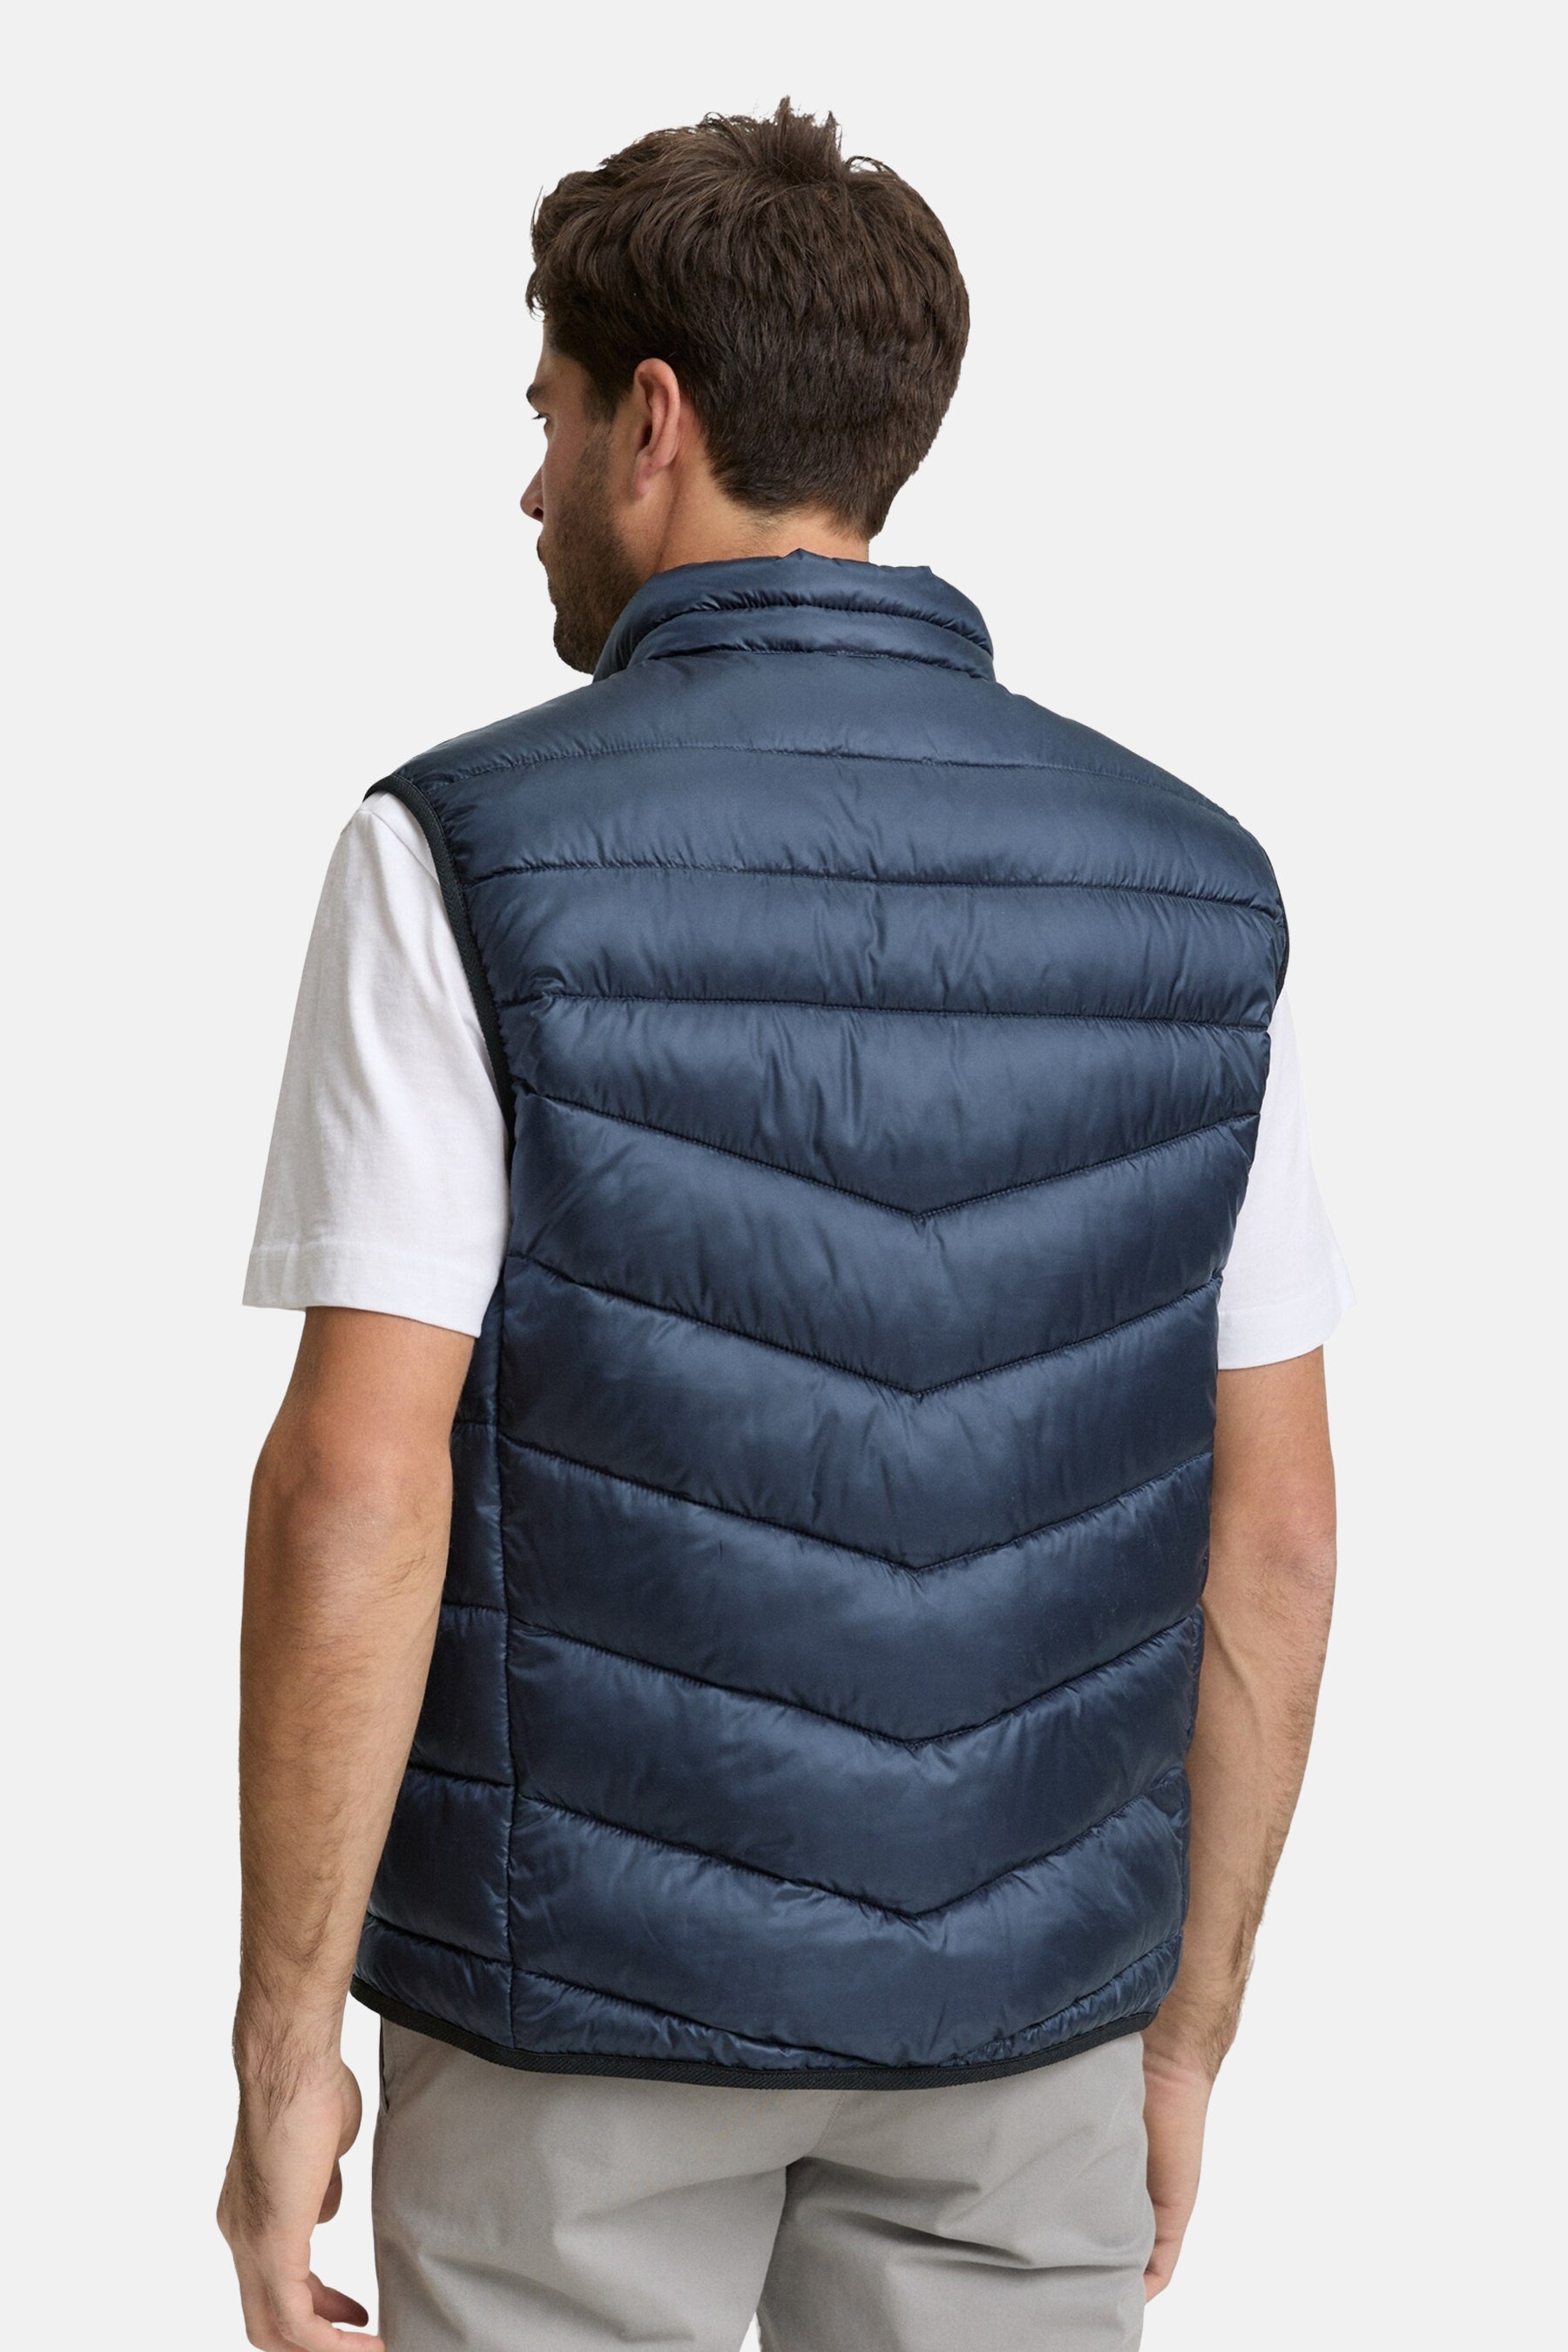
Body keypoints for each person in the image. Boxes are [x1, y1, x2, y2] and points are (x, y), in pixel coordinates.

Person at [220, 99, 1349, 2352]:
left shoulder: (458, 853)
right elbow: (1280, 1529)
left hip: (572, 2020)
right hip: (1026, 2034)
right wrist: (1186, 2032)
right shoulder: (1199, 887)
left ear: (654, 420)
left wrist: (280, 2056)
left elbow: (358, 1486)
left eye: (545, 416)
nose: (530, 487)